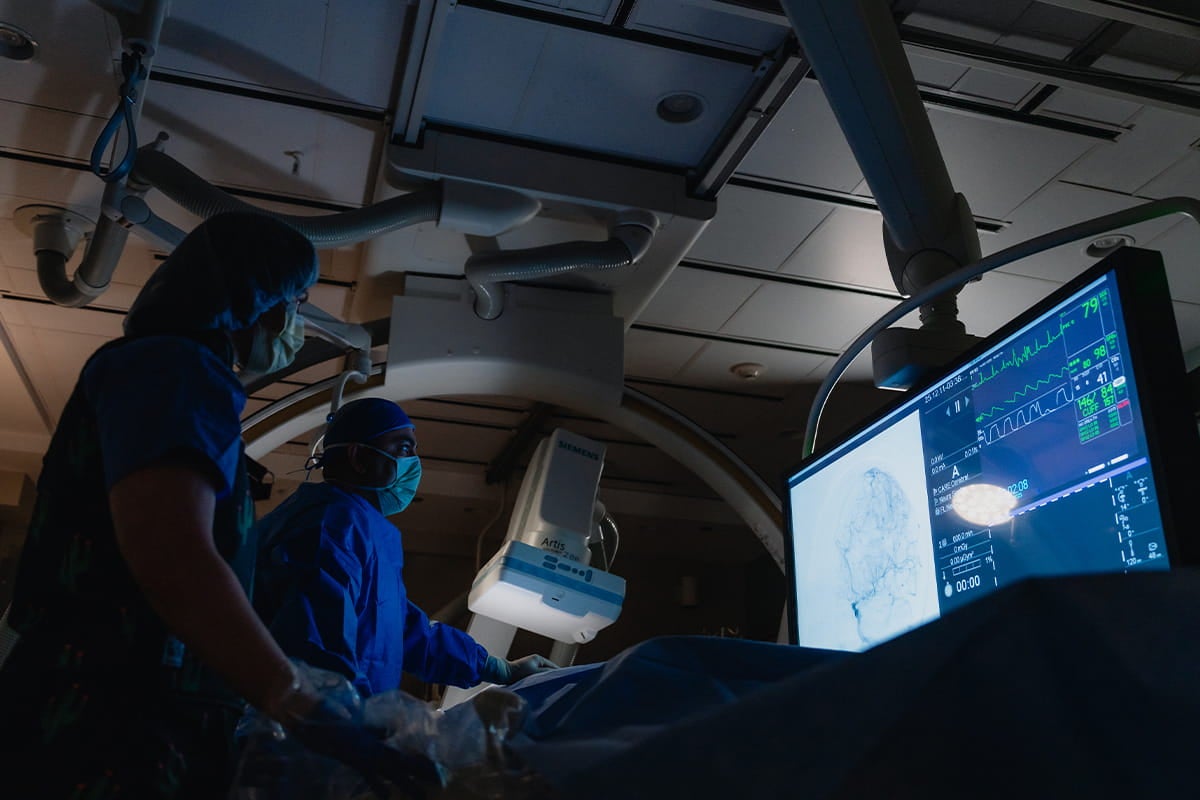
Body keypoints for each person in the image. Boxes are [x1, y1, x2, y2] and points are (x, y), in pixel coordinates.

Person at [0, 212, 392, 798]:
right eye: (296, 300)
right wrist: (292, 699)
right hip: (106, 721)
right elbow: (173, 555)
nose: (297, 322)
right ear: (250, 297)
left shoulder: (164, 373)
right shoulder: (176, 371)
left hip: (115, 709)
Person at [253, 397, 558, 700]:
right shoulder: (329, 527)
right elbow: (317, 653)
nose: (414, 462)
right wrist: (355, 725)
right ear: (359, 457)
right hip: (301, 733)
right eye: (402, 449)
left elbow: (405, 631)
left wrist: (499, 669)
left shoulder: (359, 529)